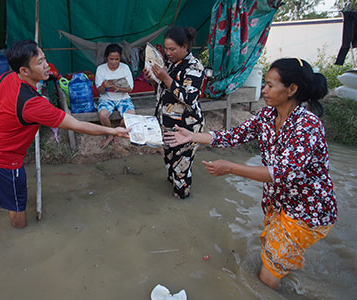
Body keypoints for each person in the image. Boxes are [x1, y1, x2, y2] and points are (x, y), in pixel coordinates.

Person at [164, 58, 338, 289]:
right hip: (280, 203)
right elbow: (232, 135)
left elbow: (280, 173)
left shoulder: (307, 126)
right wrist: (192, 136)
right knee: (274, 256)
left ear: (292, 89)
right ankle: (285, 270)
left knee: (266, 277)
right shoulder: (268, 116)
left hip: (307, 211)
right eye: (264, 84)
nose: (264, 90)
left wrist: (231, 168)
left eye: (270, 85)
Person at [0, 40, 129, 228]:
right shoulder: (33, 105)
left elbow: (4, 101)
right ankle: (19, 239)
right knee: (17, 206)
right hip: (7, 158)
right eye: (40, 62)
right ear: (24, 71)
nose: (47, 66)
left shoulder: (6, 77)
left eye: (45, 59)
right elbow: (77, 125)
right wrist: (113, 130)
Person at [144, 27, 205, 199]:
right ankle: (173, 191)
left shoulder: (194, 67)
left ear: (184, 47)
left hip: (186, 127)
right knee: (170, 162)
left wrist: (165, 78)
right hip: (167, 123)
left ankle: (182, 200)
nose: (168, 52)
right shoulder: (170, 64)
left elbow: (189, 97)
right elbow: (164, 92)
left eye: (172, 49)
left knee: (181, 169)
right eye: (166, 48)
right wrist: (153, 80)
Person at [95, 43, 134, 148]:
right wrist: (104, 85)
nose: (114, 62)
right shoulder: (101, 69)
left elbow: (130, 88)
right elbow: (100, 90)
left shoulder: (125, 68)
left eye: (116, 59)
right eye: (111, 59)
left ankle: (118, 132)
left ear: (120, 58)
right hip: (106, 99)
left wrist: (117, 88)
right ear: (106, 58)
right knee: (103, 114)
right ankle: (111, 134)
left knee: (131, 116)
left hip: (123, 98)